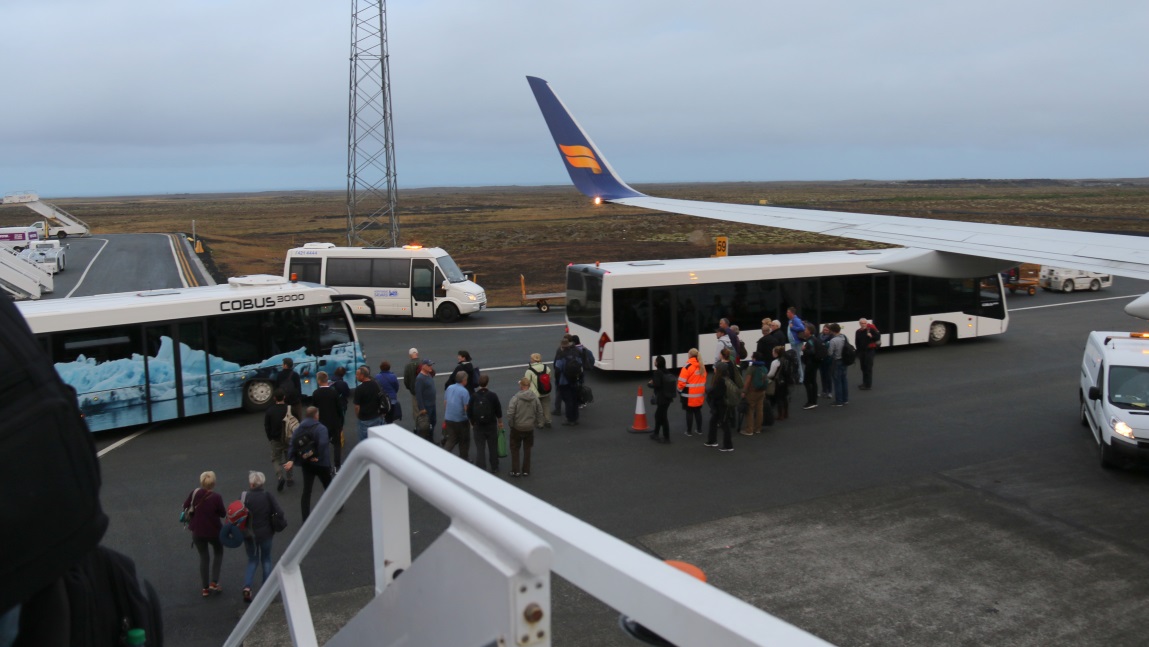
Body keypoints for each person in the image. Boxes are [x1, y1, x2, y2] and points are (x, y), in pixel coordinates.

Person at [239, 471, 286, 604]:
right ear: (262, 483)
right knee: (266, 559)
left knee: (252, 560)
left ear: (251, 483)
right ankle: (266, 591)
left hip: (249, 535)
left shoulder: (244, 496)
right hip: (266, 534)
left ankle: (247, 586)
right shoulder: (267, 496)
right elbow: (280, 512)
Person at [283, 406, 333, 522]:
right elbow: (323, 444)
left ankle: (305, 517)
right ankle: (337, 507)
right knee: (328, 486)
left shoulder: (299, 428)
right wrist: (318, 457)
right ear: (316, 415)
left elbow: (292, 445)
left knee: (307, 491)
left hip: (306, 464)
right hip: (321, 464)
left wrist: (291, 459)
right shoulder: (321, 428)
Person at [183, 470, 227, 597]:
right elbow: (222, 513)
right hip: (214, 531)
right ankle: (214, 582)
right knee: (218, 552)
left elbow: (186, 505)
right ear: (213, 483)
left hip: (197, 531)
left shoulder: (195, 492)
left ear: (202, 482)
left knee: (204, 557)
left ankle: (205, 588)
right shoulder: (217, 497)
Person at [505, 376, 545, 477]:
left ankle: (516, 470)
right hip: (529, 427)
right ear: (529, 386)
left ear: (521, 386)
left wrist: (511, 424)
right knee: (527, 449)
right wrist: (540, 423)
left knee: (515, 448)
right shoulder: (534, 398)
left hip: (517, 427)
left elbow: (510, 413)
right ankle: (526, 470)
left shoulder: (516, 398)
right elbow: (540, 411)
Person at [311, 371, 345, 474]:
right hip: (334, 422)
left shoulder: (316, 393)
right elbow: (340, 409)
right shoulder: (334, 392)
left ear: (319, 381)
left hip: (322, 423)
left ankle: (327, 466)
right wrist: (341, 422)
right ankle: (337, 465)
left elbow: (314, 409)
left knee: (323, 445)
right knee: (337, 445)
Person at [469, 374, 503, 473]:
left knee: (480, 447)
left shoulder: (474, 396)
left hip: (478, 425)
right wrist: (500, 422)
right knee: (493, 446)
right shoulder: (493, 395)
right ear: (487, 383)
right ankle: (494, 466)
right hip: (491, 425)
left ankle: (481, 466)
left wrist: (472, 423)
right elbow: (498, 410)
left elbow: (469, 411)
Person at [263, 389, 294, 491]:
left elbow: (267, 426)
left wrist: (270, 438)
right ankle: (289, 479)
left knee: (276, 459)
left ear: (274, 398)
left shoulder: (270, 411)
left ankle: (280, 476)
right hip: (288, 438)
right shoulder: (289, 409)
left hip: (275, 439)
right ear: (284, 397)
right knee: (289, 457)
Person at [704, 362, 735, 452]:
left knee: (724, 424)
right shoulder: (726, 379)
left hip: (722, 405)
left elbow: (717, 394)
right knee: (715, 422)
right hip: (722, 405)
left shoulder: (720, 381)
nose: (714, 369)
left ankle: (728, 445)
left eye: (715, 368)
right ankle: (712, 441)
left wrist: (709, 391)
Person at [677, 348, 707, 436]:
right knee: (698, 412)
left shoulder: (687, 366)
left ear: (689, 355)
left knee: (689, 412)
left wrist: (679, 390)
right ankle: (699, 430)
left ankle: (689, 431)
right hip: (699, 394)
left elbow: (681, 382)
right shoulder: (702, 366)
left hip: (689, 395)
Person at [648, 356, 677, 443]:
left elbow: (657, 384)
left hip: (662, 397)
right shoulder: (666, 371)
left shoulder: (657, 372)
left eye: (655, 361)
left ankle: (666, 437)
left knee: (661, 417)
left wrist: (649, 384)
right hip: (667, 397)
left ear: (657, 363)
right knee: (660, 415)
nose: (654, 362)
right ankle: (656, 433)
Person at [353, 365, 386, 442]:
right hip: (377, 416)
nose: (356, 376)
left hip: (365, 419)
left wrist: (359, 416)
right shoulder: (376, 384)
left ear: (362, 375)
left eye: (357, 374)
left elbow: (357, 407)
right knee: (377, 440)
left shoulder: (359, 389)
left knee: (365, 441)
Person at [443, 370, 472, 458]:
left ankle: (443, 456)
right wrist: (470, 421)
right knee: (464, 441)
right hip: (461, 420)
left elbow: (445, 402)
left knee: (451, 439)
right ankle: (463, 459)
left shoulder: (449, 388)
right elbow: (466, 408)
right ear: (464, 380)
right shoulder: (464, 391)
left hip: (449, 418)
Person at [554, 339, 583, 426]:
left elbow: (558, 370)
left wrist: (557, 381)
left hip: (564, 382)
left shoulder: (561, 355)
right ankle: (575, 418)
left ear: (562, 346)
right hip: (574, 380)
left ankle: (570, 419)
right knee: (574, 399)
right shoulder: (575, 353)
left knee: (568, 400)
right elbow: (580, 366)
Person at [741, 351, 769, 436]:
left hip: (752, 392)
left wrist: (744, 391)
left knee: (750, 410)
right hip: (762, 391)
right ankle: (758, 428)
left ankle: (749, 430)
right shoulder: (764, 367)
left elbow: (747, 381)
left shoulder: (752, 368)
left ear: (755, 358)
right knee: (759, 410)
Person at [524, 353, 553, 428]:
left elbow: (527, 382)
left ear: (533, 360)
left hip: (535, 393)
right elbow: (549, 378)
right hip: (546, 391)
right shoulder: (546, 367)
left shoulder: (529, 370)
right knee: (546, 406)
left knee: (537, 408)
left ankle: (540, 423)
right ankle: (548, 420)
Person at [414, 359, 438, 443]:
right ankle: (427, 440)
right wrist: (422, 408)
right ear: (423, 366)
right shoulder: (420, 378)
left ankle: (430, 438)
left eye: (431, 365)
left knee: (433, 421)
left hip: (432, 404)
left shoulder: (428, 375)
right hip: (426, 406)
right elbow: (418, 394)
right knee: (426, 424)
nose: (431, 367)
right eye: (429, 365)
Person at [800, 329, 823, 410]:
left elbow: (812, 352)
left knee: (807, 382)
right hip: (814, 363)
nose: (803, 331)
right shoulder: (814, 339)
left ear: (809, 331)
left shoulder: (810, 341)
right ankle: (814, 400)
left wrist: (804, 349)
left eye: (805, 330)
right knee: (813, 381)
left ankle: (811, 401)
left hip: (811, 364)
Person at [827, 323, 850, 407]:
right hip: (845, 360)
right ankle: (845, 399)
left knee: (837, 381)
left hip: (837, 361)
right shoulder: (844, 337)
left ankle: (839, 401)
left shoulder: (833, 340)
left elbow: (830, 353)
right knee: (844, 379)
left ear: (833, 331)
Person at [856, 318, 881, 390]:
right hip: (862, 352)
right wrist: (858, 352)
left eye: (865, 323)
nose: (864, 324)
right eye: (862, 323)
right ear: (860, 324)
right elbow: (857, 342)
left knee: (868, 368)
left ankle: (868, 385)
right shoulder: (858, 331)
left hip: (870, 351)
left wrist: (871, 336)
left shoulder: (871, 330)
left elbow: (877, 337)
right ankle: (864, 383)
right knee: (863, 367)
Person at [767, 345, 790, 421]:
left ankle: (780, 415)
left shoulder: (775, 362)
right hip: (786, 380)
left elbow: (771, 374)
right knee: (784, 397)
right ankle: (786, 413)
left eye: (773, 352)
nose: (772, 353)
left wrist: (765, 376)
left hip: (778, 381)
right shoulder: (786, 359)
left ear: (776, 353)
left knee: (779, 398)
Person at [786, 307, 807, 383]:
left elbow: (802, 328)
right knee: (796, 360)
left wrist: (793, 327)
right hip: (794, 343)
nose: (787, 313)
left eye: (788, 312)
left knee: (797, 360)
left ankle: (801, 378)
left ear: (792, 313)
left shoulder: (796, 320)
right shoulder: (791, 320)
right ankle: (798, 376)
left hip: (797, 343)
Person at [819, 324, 835, 399]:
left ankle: (829, 392)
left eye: (827, 330)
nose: (825, 331)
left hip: (829, 359)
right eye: (824, 329)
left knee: (828, 375)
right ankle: (824, 391)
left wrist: (823, 345)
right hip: (821, 359)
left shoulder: (832, 337)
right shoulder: (819, 335)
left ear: (830, 331)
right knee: (822, 375)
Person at [403, 348, 421, 414]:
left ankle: (419, 423)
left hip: (414, 391)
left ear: (410, 355)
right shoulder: (423, 363)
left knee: (416, 410)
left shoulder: (407, 366)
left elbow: (406, 380)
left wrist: (410, 388)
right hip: (424, 390)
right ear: (417, 353)